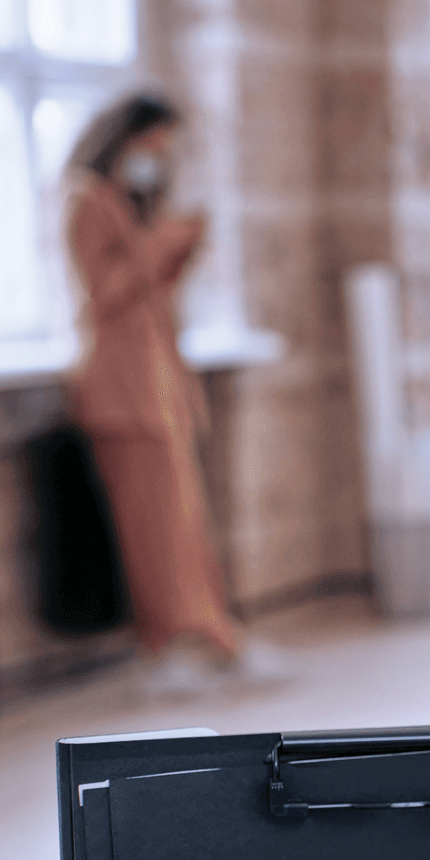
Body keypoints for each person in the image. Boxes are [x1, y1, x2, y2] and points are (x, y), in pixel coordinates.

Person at [63, 92, 289, 695]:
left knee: (186, 527)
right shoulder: (88, 201)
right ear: (126, 138)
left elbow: (153, 297)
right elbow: (106, 295)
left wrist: (175, 244)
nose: (159, 158)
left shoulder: (133, 210)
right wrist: (162, 241)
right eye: (154, 143)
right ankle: (165, 647)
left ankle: (216, 639)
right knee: (151, 531)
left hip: (159, 389)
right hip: (120, 395)